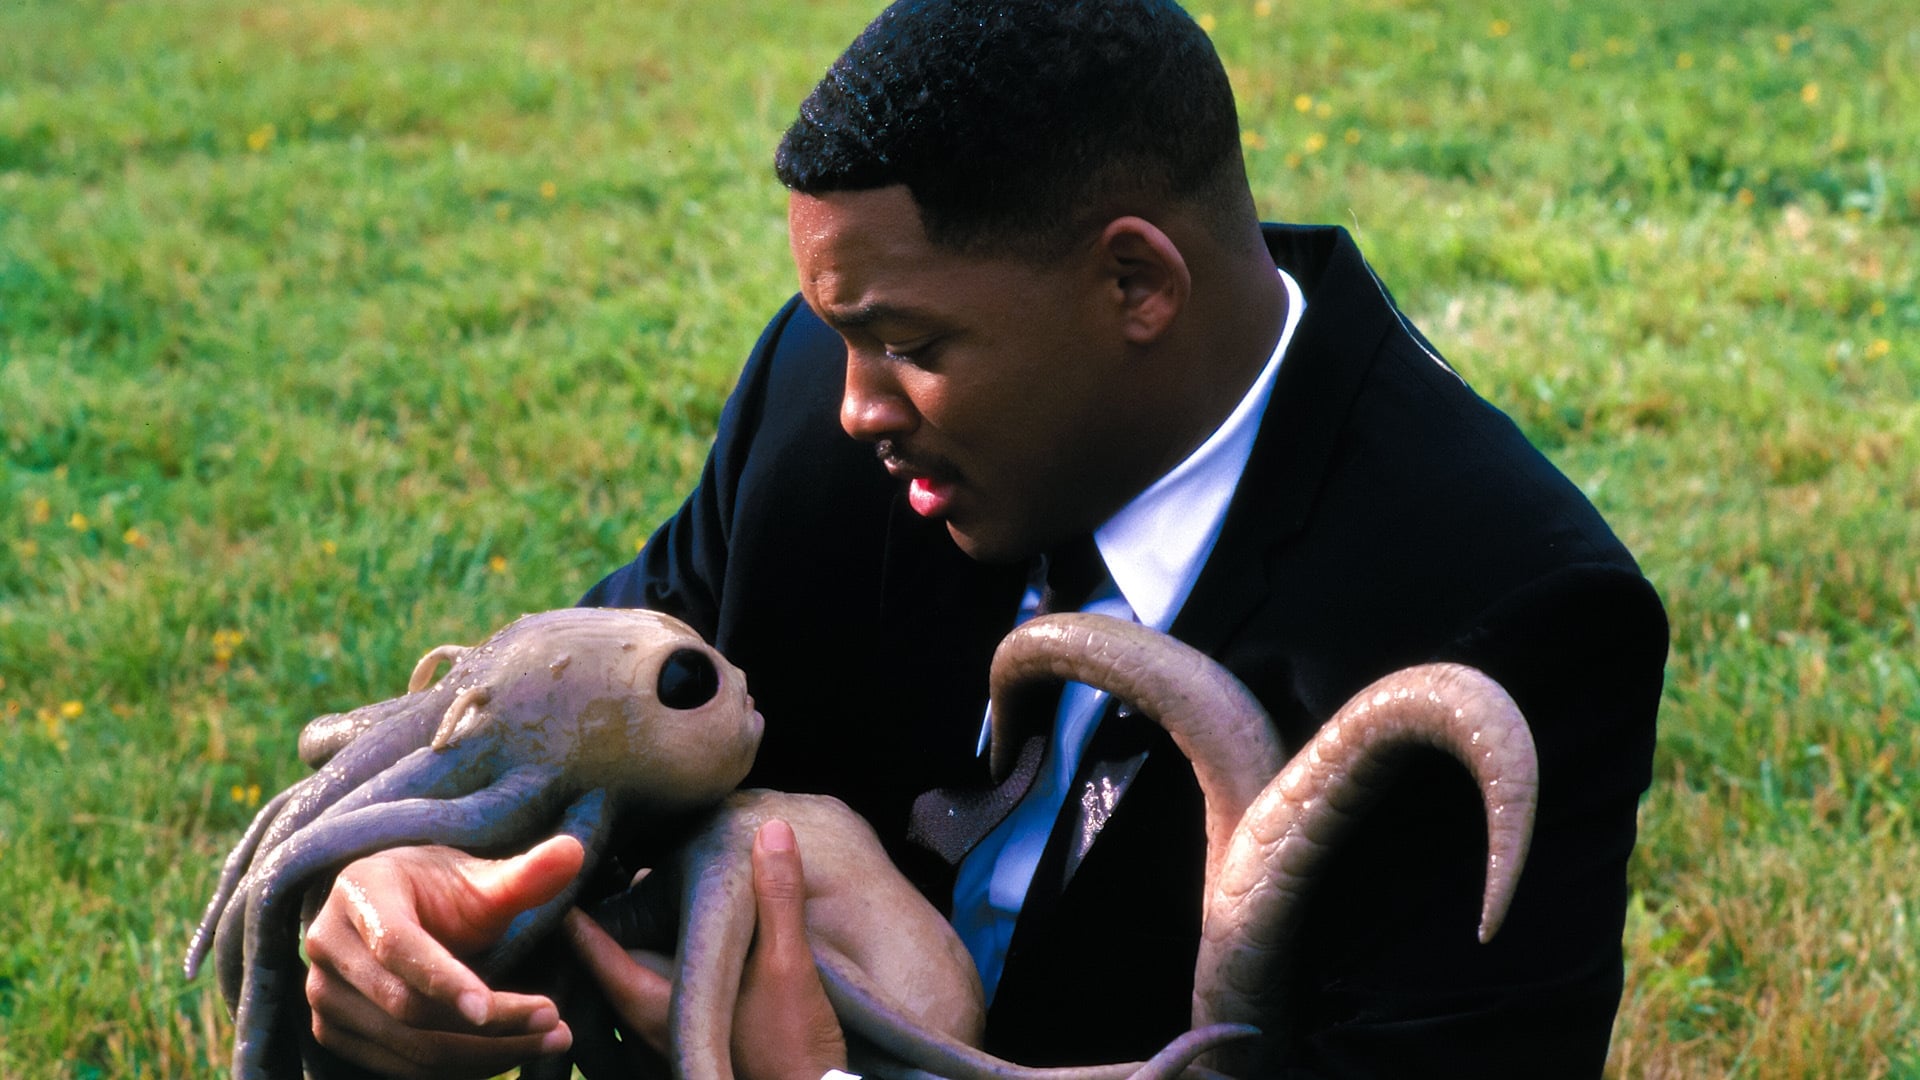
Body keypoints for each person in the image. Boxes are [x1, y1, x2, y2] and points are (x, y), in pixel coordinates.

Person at [300, 1, 1668, 1077]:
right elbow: (575, 722)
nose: (855, 406)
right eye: (844, 336)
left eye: (909, 346)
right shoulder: (827, 398)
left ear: (1134, 282)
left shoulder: (1510, 610)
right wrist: (406, 891)